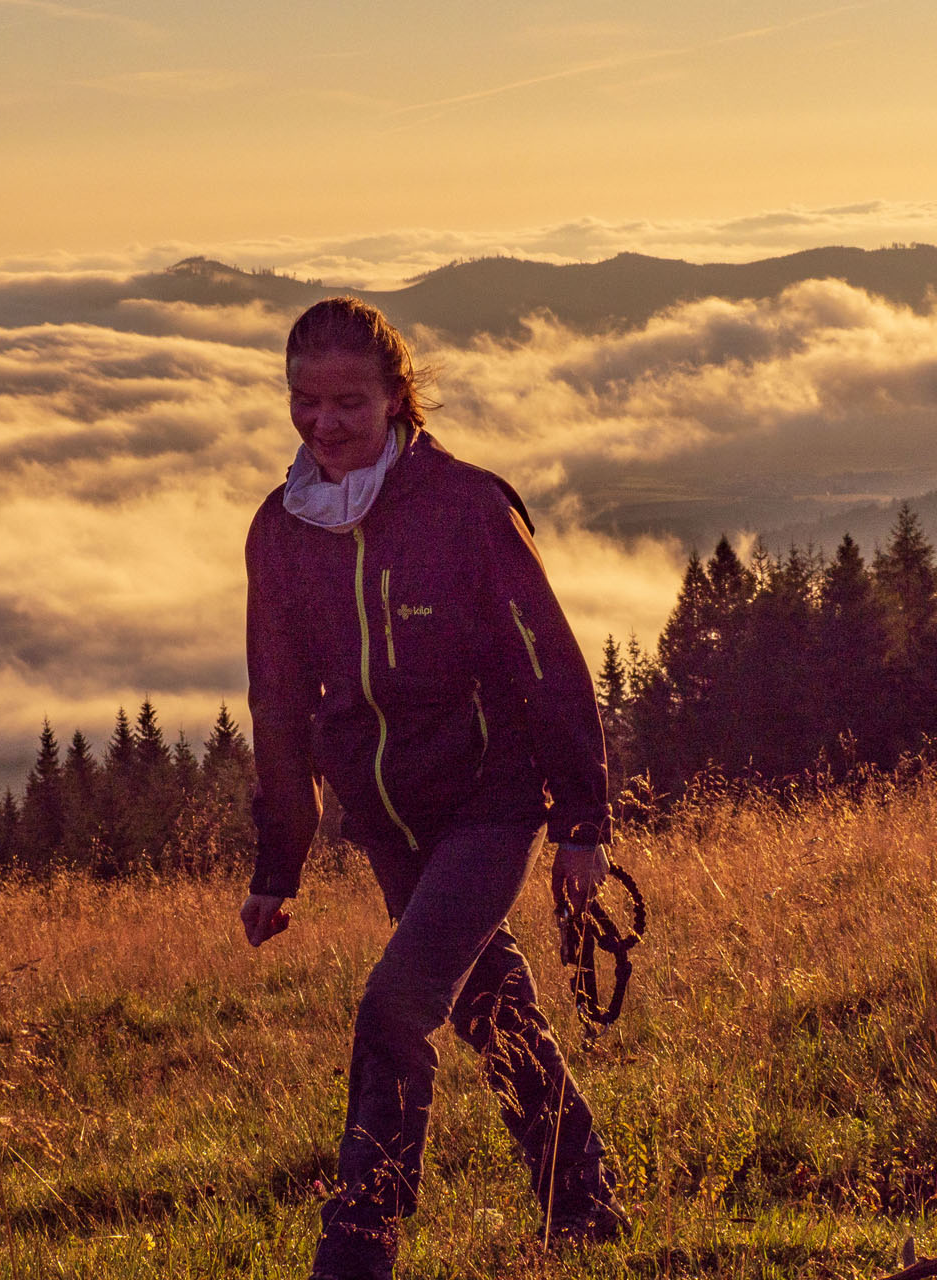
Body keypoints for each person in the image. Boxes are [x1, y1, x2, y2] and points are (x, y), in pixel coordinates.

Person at [239, 296, 625, 1280]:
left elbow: (550, 661)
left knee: (396, 1005)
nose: (324, 423)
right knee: (488, 1003)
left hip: (491, 807)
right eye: (305, 401)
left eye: (348, 402)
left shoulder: (465, 506)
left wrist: (582, 821)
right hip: (389, 822)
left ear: (395, 398)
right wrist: (277, 864)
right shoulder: (281, 531)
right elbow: (279, 704)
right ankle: (581, 1198)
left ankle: (357, 1249)